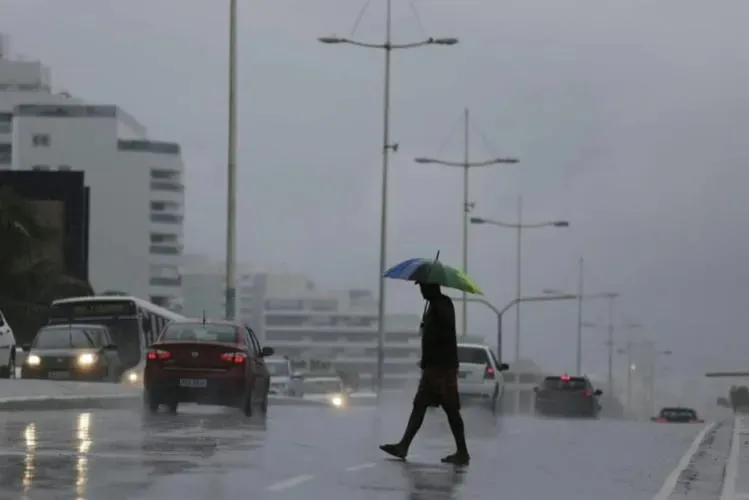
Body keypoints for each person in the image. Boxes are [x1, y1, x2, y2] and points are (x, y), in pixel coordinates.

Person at [379, 282, 470, 465]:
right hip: (432, 367)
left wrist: (431, 323)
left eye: (423, 287)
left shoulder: (443, 305)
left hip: (443, 367)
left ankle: (462, 451)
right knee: (419, 405)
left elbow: (444, 330)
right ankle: (403, 445)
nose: (421, 291)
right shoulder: (434, 307)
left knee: (451, 409)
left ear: (432, 287)